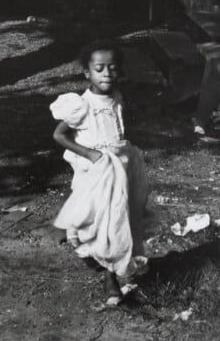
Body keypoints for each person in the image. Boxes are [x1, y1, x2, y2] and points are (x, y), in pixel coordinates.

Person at [49, 41, 149, 305]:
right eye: (99, 68)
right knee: (94, 219)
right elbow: (59, 135)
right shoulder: (82, 105)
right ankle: (93, 254)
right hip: (95, 170)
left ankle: (111, 275)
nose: (106, 74)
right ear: (87, 73)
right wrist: (91, 154)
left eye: (112, 68)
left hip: (120, 166)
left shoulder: (117, 97)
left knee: (116, 218)